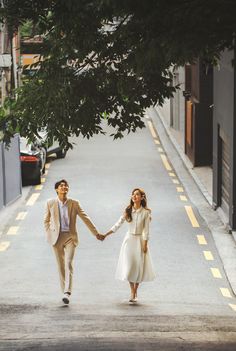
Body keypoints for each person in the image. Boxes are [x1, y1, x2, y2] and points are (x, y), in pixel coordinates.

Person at [44, 179, 103, 305]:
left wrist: (96, 233)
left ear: (68, 189)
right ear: (56, 190)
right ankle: (63, 291)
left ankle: (67, 292)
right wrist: (49, 234)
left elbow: (85, 218)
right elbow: (46, 221)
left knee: (68, 262)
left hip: (70, 237)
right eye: (61, 186)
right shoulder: (50, 203)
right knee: (60, 266)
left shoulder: (74, 203)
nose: (64, 187)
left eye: (66, 186)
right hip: (57, 237)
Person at [103, 188, 155, 303]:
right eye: (133, 194)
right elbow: (118, 224)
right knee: (130, 266)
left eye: (137, 195)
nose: (134, 196)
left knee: (139, 267)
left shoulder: (146, 213)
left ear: (142, 197)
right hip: (129, 241)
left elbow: (146, 231)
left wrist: (145, 244)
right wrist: (106, 234)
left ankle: (135, 290)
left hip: (140, 241)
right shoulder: (128, 210)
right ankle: (132, 291)